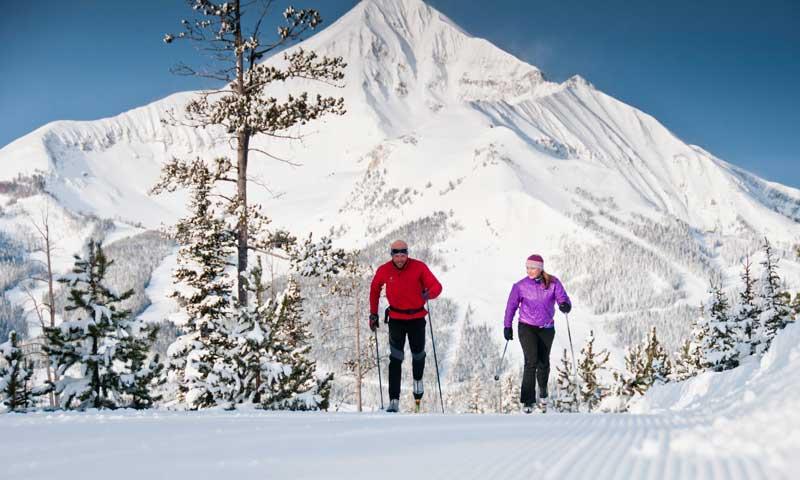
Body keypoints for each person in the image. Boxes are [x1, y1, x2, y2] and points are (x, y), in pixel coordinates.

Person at [369, 240, 442, 413]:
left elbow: (437, 287)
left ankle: (418, 380)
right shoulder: (384, 270)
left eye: (403, 255)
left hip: (417, 318)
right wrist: (373, 313)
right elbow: (374, 289)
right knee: (395, 358)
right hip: (396, 319)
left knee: (418, 354)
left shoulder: (419, 267)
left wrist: (428, 293)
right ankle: (394, 399)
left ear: (407, 254)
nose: (400, 259)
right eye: (397, 255)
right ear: (392, 255)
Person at [504, 254, 571, 413]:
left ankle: (543, 391)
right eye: (527, 267)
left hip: (547, 328)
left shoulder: (553, 283)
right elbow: (511, 307)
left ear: (540, 268)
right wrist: (507, 326)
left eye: (533, 268)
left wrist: (565, 305)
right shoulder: (520, 286)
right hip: (526, 327)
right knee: (531, 361)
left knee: (543, 362)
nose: (529, 271)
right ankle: (528, 401)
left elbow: (564, 298)